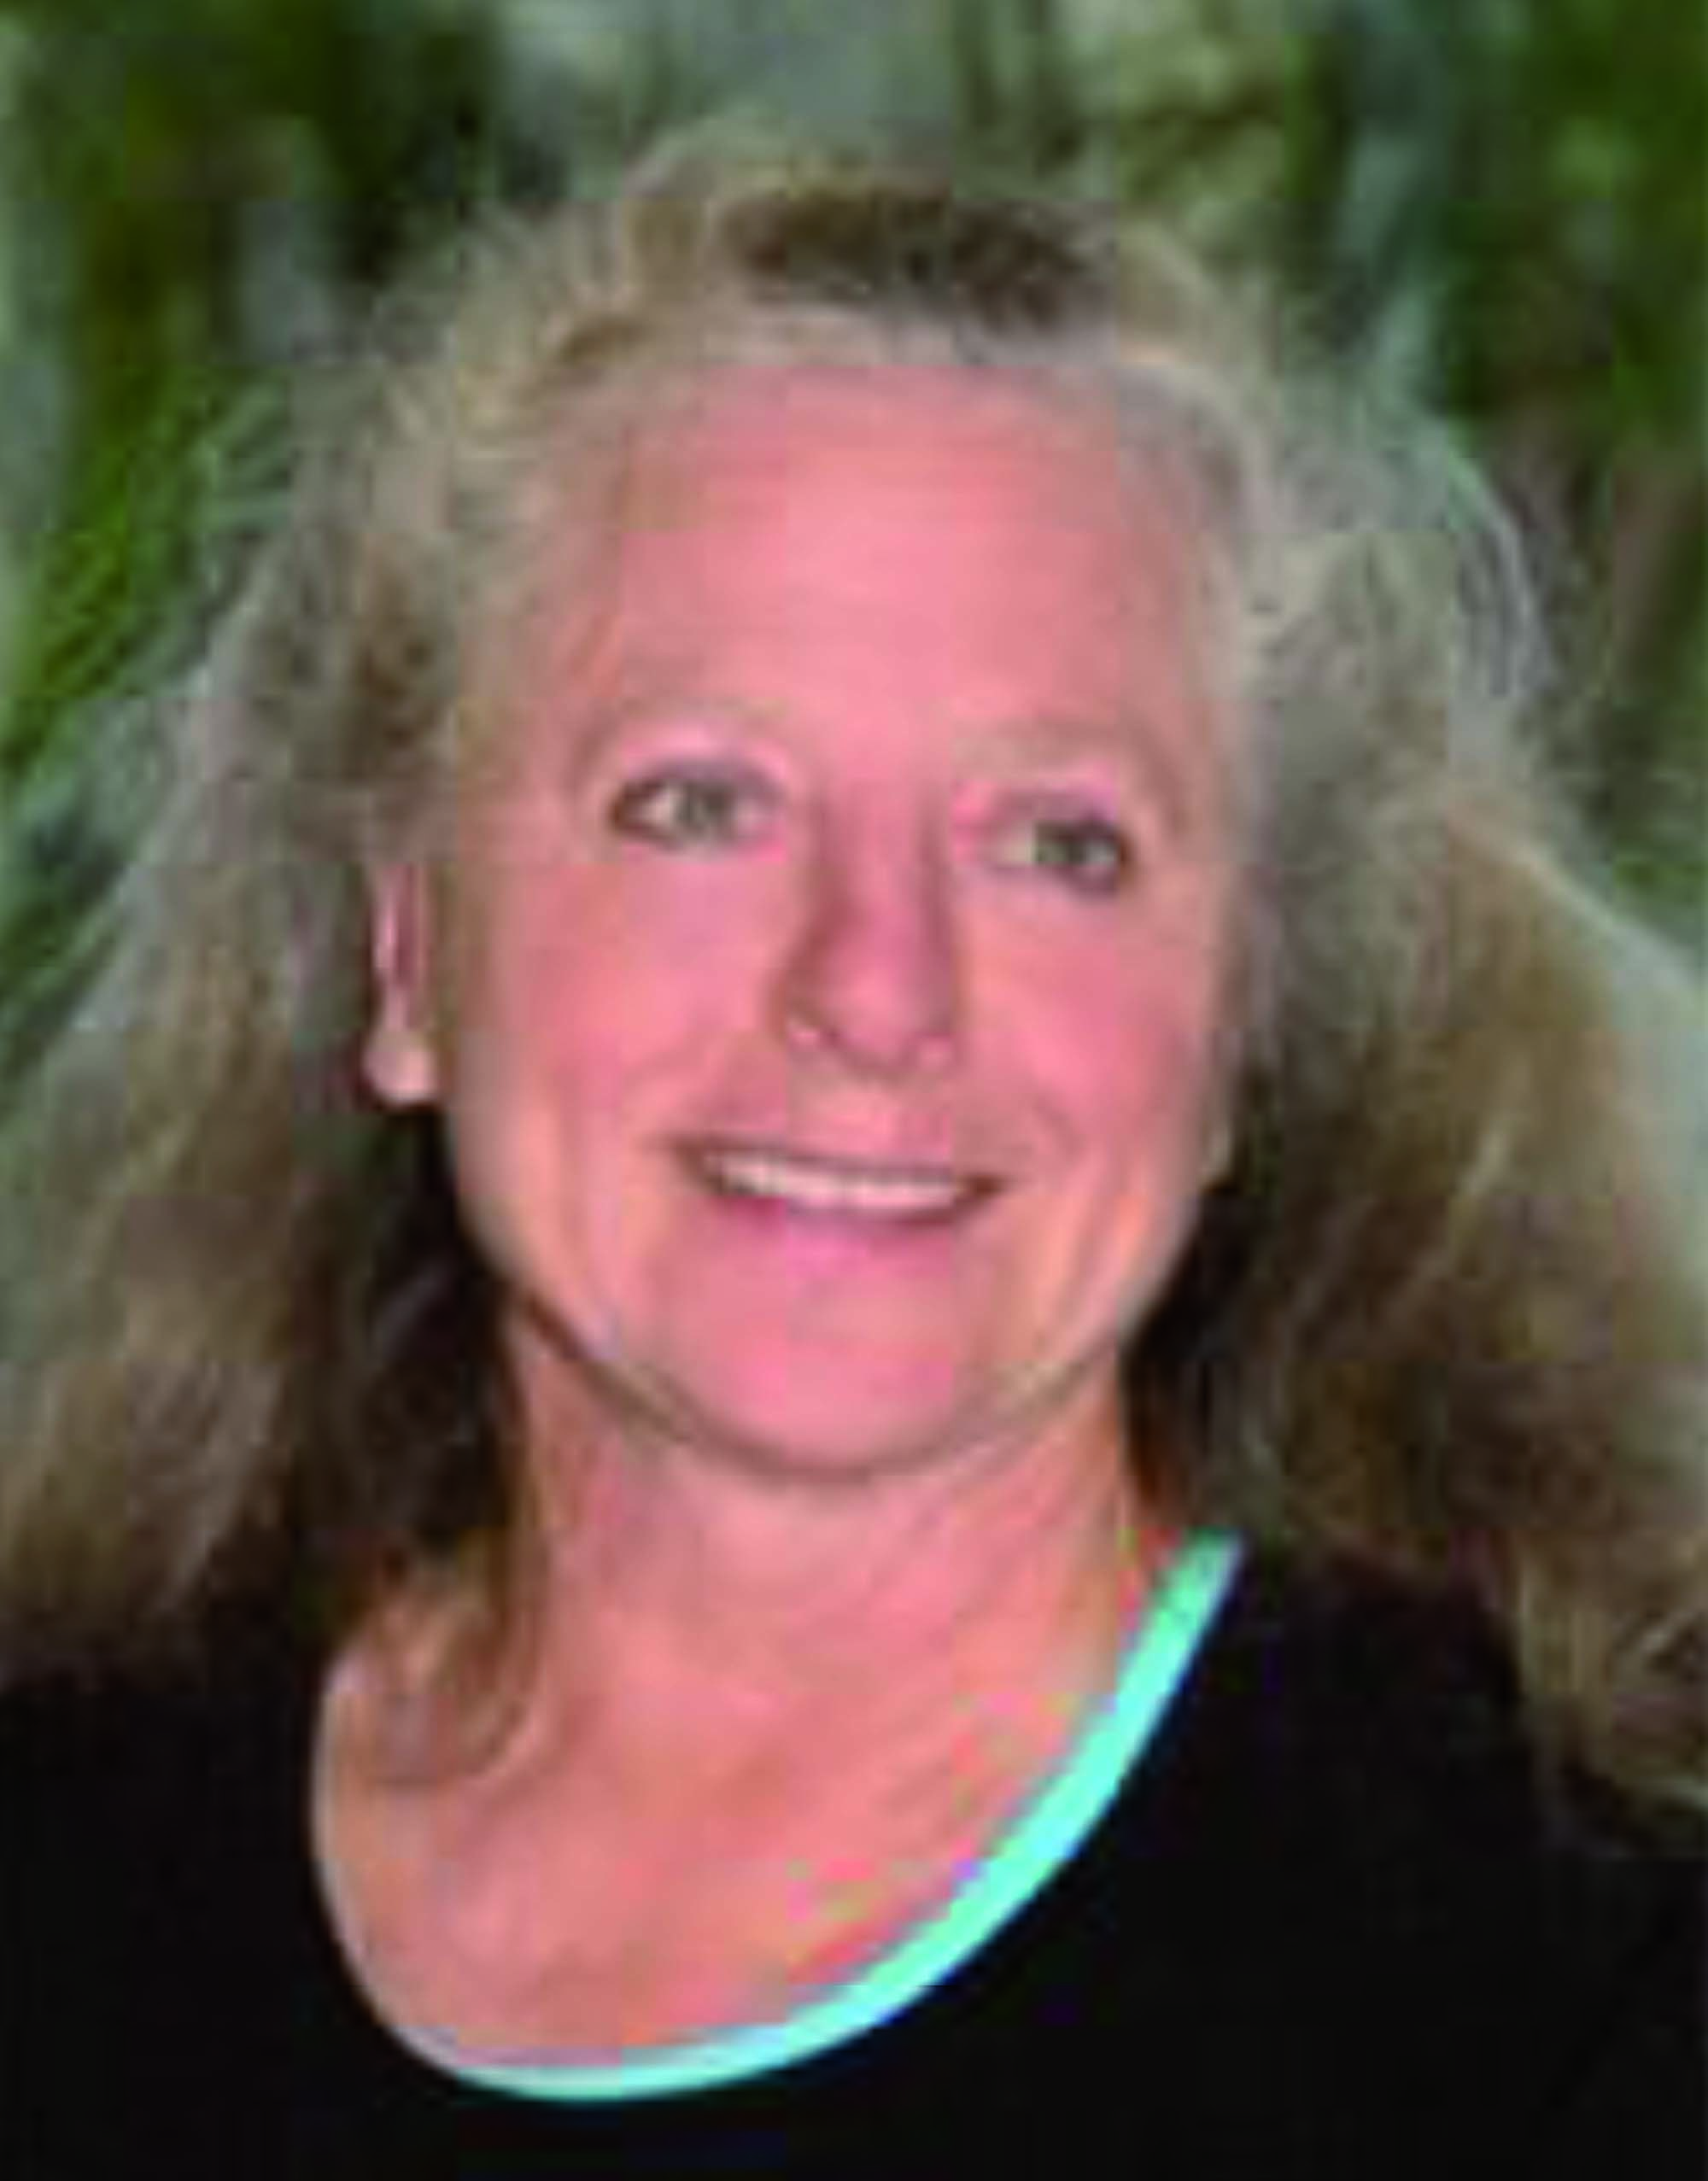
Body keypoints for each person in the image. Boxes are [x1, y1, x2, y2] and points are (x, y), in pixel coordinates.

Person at [0, 141, 1702, 2179]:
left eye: (1057, 841)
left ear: (1245, 1023)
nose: (875, 988)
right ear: (406, 950)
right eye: (698, 802)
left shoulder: (1588, 1961)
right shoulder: (62, 1849)